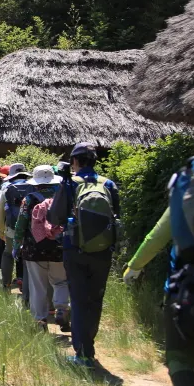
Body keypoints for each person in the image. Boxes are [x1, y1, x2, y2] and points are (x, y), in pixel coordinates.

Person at [124, 148, 194, 386]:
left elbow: (157, 236)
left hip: (189, 289)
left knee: (179, 357)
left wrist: (133, 267)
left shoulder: (189, 181)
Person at [48, 143, 120, 368]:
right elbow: (115, 216)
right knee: (95, 299)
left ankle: (83, 353)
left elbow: (54, 217)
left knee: (78, 300)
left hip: (75, 248)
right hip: (103, 251)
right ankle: (89, 344)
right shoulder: (108, 184)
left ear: (75, 162)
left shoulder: (70, 183)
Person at [12, 165, 69, 331]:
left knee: (38, 286)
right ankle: (61, 309)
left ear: (35, 182)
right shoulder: (63, 197)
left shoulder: (29, 199)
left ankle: (40, 321)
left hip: (34, 248)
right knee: (60, 282)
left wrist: (16, 245)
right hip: (59, 247)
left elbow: (20, 224)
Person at [0, 164, 33, 299]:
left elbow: (1, 212)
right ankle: (25, 287)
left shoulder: (7, 189)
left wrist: (1, 230)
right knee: (26, 258)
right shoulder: (33, 187)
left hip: (11, 229)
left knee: (8, 254)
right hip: (30, 230)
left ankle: (6, 284)